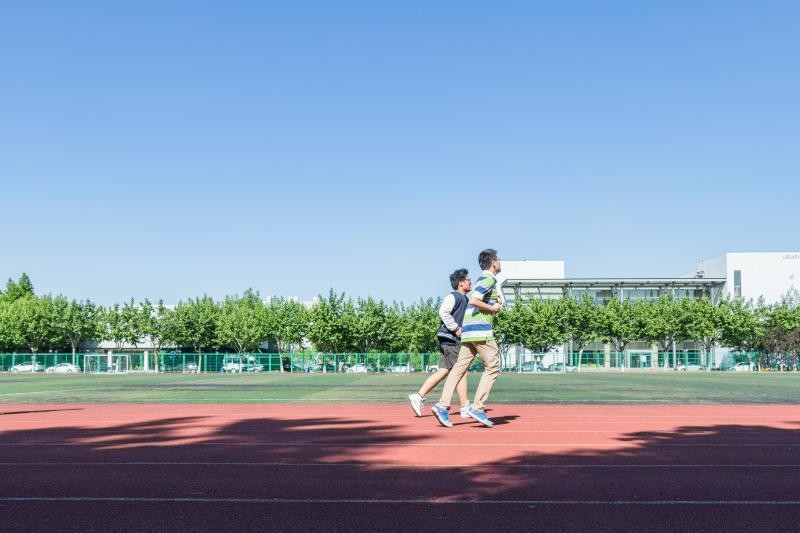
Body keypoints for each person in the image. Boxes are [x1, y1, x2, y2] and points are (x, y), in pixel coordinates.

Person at [431, 249, 503, 428]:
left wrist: (495, 304)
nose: (501, 262)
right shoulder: (488, 279)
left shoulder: (483, 279)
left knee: (458, 369)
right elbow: (475, 300)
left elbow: (478, 299)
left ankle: (442, 405)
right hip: (480, 331)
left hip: (469, 331)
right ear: (494, 263)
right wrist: (493, 309)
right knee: (493, 366)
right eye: (499, 260)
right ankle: (477, 407)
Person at [408, 269, 472, 419]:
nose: (471, 282)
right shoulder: (454, 296)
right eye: (468, 279)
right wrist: (456, 328)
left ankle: (418, 396)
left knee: (443, 372)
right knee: (461, 372)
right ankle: (465, 407)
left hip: (447, 340)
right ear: (460, 282)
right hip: (451, 340)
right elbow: (443, 312)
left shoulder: (465, 299)